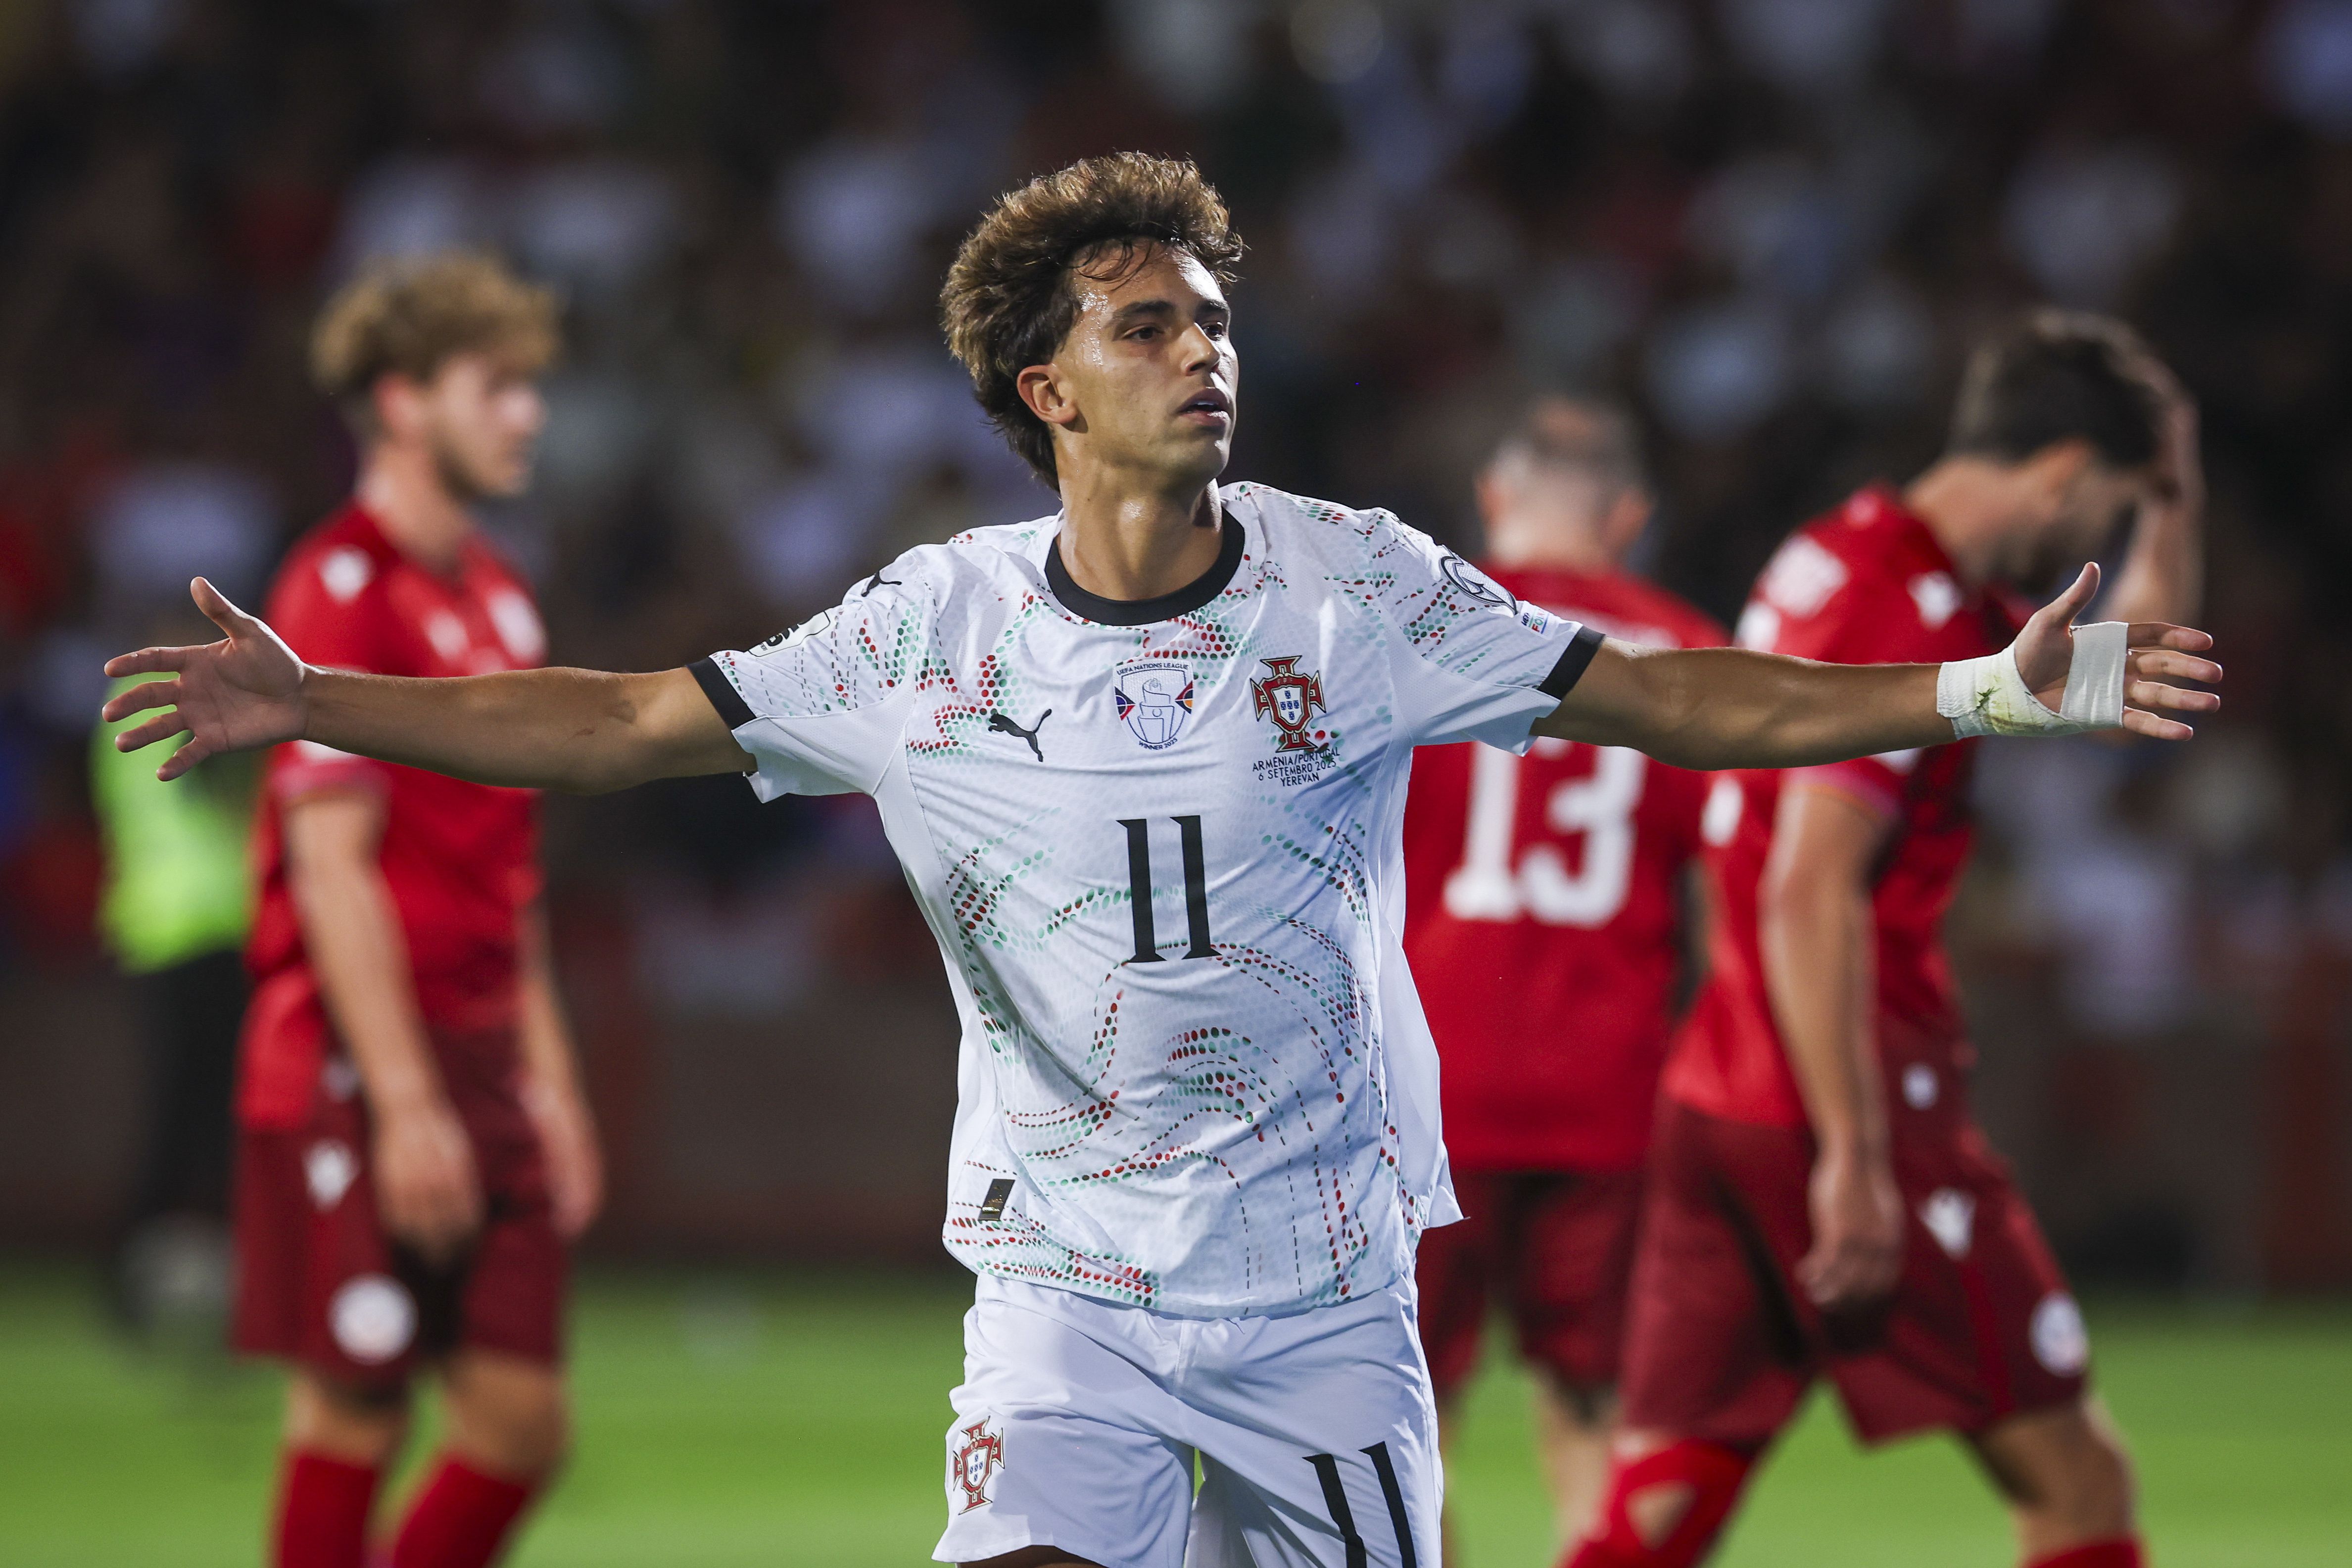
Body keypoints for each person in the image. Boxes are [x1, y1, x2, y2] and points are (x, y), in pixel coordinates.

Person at [102, 159, 2217, 1568]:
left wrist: (1978, 694)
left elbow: (1677, 701)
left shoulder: (1356, 588)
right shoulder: (931, 634)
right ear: (1047, 387)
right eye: (1148, 327)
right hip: (1067, 1297)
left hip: (1318, 1291)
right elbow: (622, 722)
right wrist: (322, 701)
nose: (1204, 350)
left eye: (1212, 319)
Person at [1561, 313, 2205, 1568]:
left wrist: (2172, 491)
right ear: (2063, 472)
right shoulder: (1902, 605)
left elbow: (2145, 686)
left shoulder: (1854, 558)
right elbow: (1811, 885)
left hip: (1723, 1077)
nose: (2100, 540)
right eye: (2111, 509)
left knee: (1665, 1496)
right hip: (1845, 1088)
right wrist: (1853, 1152)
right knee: (2080, 1484)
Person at [224, 253, 603, 1568]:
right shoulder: (337, 591)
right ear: (401, 401)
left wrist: (547, 1078)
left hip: (484, 1052)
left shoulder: (499, 596)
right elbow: (333, 865)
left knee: (520, 1425)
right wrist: (404, 1101)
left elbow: (515, 873)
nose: (528, 416)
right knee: (356, 1397)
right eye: (495, 386)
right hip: (357, 1061)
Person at [1398, 398, 1721, 1547]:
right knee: (1596, 1415)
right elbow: (1723, 902)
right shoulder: (1685, 651)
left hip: (1426, 1086)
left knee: (1402, 1417)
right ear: (1628, 515)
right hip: (1611, 1091)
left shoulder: (1415, 627)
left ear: (1494, 495)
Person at [94, 616, 256, 1333]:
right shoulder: (189, 700)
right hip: (215, 922)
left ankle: (129, 1282)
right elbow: (217, 794)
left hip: (151, 927)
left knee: (170, 1115)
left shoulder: (111, 710)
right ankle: (236, 1281)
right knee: (222, 1118)